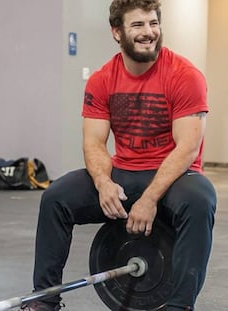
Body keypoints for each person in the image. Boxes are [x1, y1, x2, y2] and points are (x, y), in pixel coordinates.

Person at [21, 0, 217, 310]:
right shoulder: (103, 80)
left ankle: (179, 306)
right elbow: (94, 143)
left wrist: (150, 199)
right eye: (138, 25)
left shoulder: (184, 75)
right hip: (125, 171)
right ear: (117, 32)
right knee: (56, 197)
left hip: (176, 176)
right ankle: (44, 300)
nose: (148, 32)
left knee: (200, 200)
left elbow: (187, 148)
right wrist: (102, 182)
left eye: (153, 23)